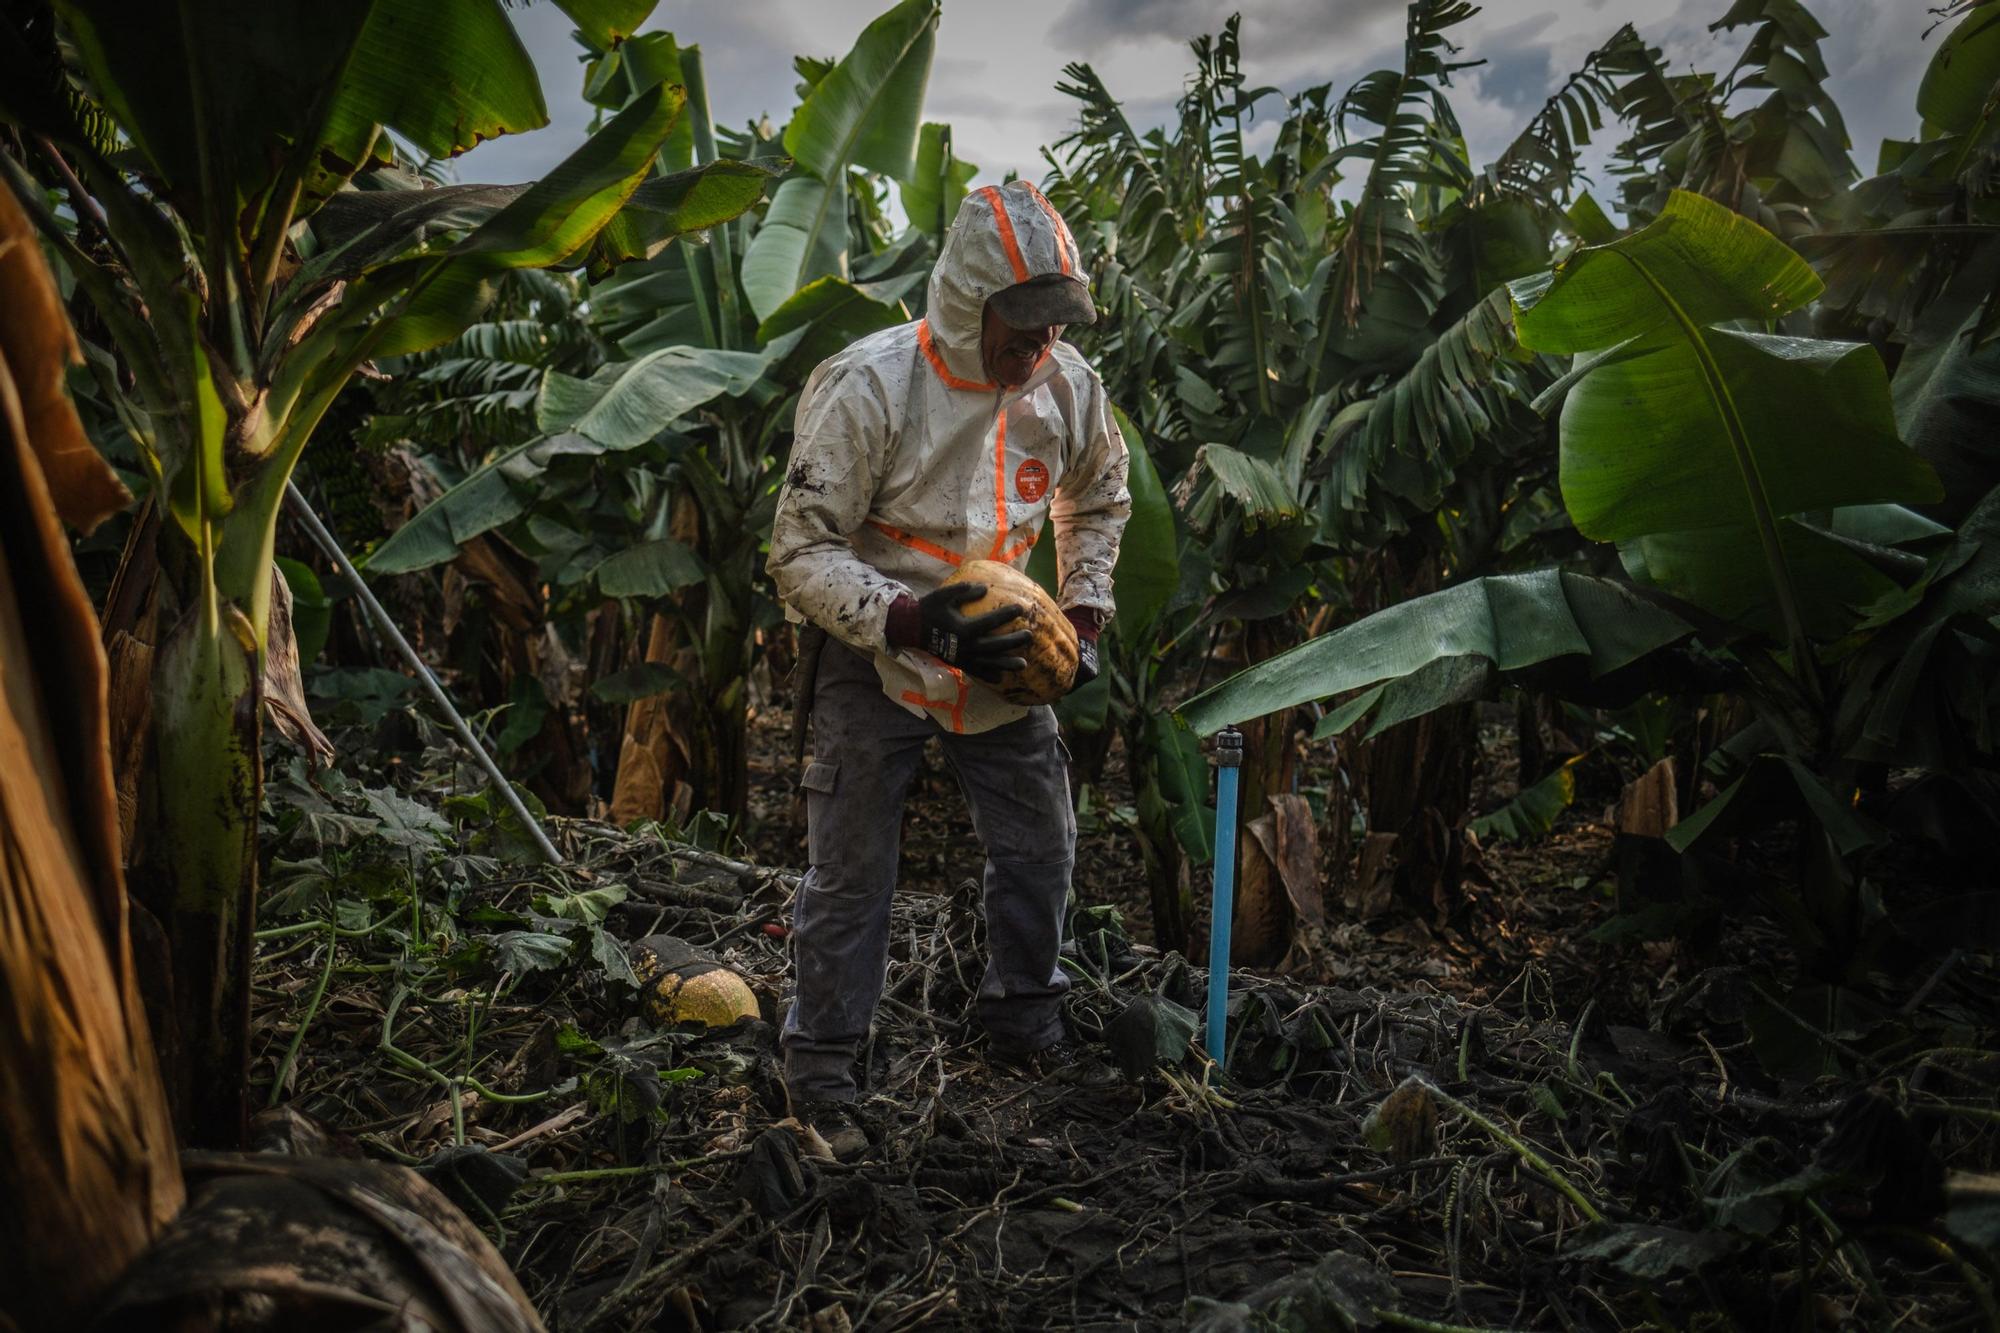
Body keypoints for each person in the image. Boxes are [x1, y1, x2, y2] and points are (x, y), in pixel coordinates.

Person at [766, 180, 1131, 1157]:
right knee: (849, 870)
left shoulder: (1068, 390)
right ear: (965, 306)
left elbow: (1099, 496)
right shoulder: (872, 386)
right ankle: (823, 1061)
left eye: (1051, 332)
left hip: (1001, 653)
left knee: (1042, 844)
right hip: (876, 647)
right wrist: (906, 618)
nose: (1034, 352)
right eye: (1017, 332)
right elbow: (800, 548)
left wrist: (1083, 606)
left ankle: (1022, 1011)